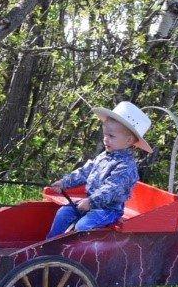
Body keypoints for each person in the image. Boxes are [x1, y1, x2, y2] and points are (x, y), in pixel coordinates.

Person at [46, 101, 152, 239]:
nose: (105, 139)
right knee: (63, 213)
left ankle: (76, 254)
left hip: (109, 209)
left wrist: (91, 202)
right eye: (105, 135)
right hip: (91, 202)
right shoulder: (104, 156)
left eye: (111, 136)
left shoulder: (126, 166)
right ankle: (50, 246)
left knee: (83, 226)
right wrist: (64, 183)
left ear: (128, 141)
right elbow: (85, 171)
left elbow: (111, 189)